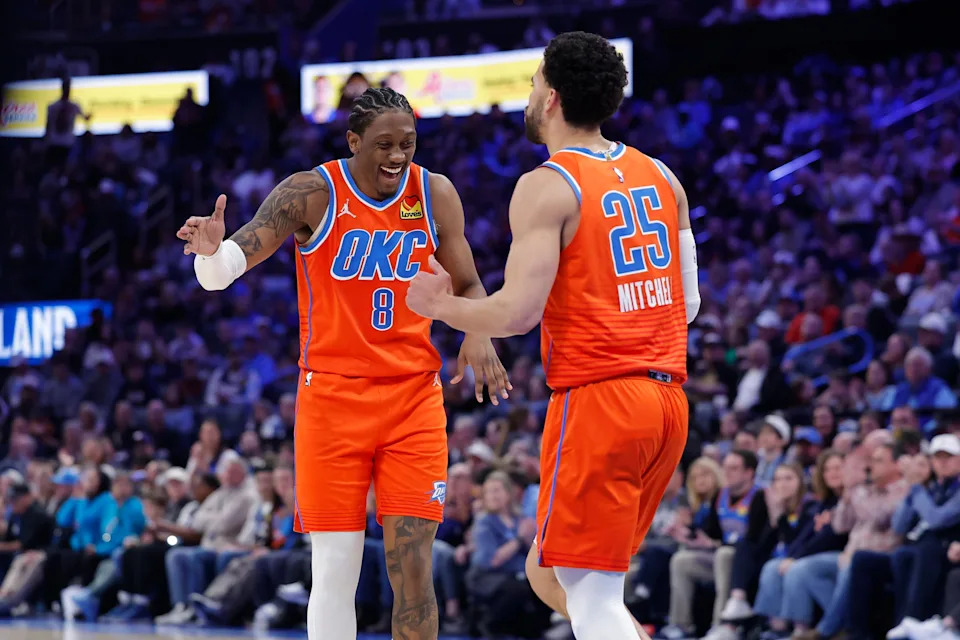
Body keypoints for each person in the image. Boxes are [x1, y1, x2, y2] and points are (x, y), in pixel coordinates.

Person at [176, 85, 509, 640]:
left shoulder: (435, 193)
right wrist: (211, 254)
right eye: (383, 144)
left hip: (413, 400)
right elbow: (229, 265)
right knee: (334, 569)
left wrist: (477, 329)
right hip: (332, 399)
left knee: (413, 569)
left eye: (408, 142)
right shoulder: (312, 192)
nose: (398, 156)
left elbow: (469, 280)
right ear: (353, 141)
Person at [406, 31, 700, 640]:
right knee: (551, 573)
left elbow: (517, 313)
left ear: (554, 98)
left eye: (534, 82)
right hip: (667, 401)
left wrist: (443, 306)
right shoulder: (662, 177)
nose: (530, 93)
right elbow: (688, 303)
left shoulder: (547, 185)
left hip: (601, 401)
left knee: (587, 593)